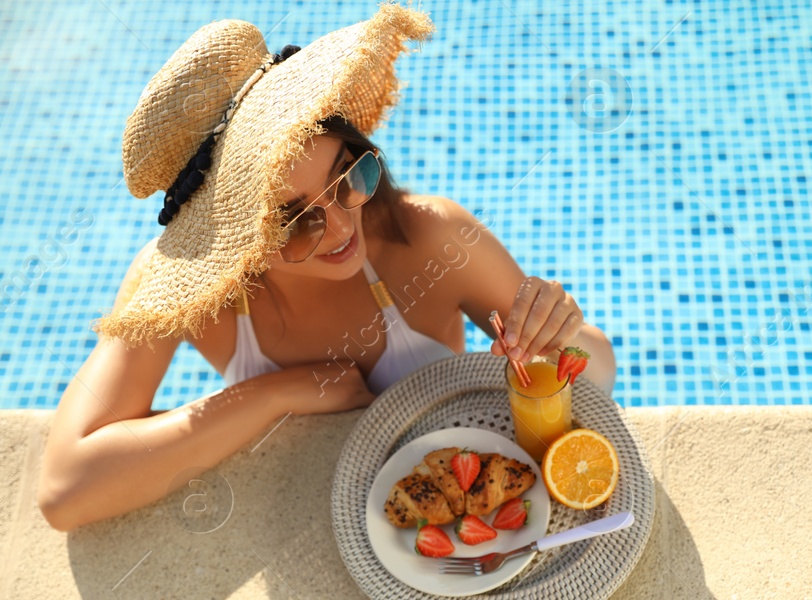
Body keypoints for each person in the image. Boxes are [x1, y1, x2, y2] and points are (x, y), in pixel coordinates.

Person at [36, 4, 614, 532]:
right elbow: (65, 490)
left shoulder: (430, 239)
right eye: (295, 220)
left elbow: (600, 374)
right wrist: (274, 395)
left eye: (348, 178)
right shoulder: (187, 295)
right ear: (228, 239)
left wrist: (557, 332)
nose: (341, 228)